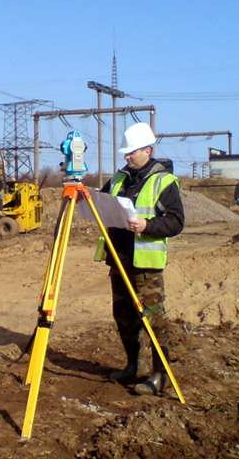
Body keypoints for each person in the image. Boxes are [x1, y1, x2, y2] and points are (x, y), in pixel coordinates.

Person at [95, 121, 184, 396]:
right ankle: (133, 365)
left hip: (145, 266)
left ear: (147, 149)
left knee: (153, 321)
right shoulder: (119, 178)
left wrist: (147, 226)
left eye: (132, 151)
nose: (127, 156)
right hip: (119, 261)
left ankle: (160, 374)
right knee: (123, 317)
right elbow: (103, 203)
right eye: (126, 152)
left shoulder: (163, 181)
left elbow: (176, 222)